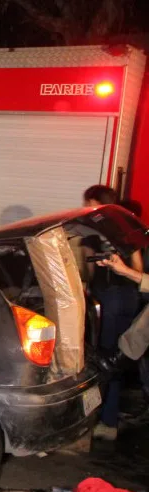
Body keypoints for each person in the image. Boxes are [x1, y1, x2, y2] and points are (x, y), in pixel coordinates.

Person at [82, 185, 143, 440]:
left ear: (95, 203)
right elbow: (138, 266)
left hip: (107, 298)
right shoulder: (127, 229)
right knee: (120, 354)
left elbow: (88, 274)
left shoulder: (92, 229)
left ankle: (103, 421)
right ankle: (110, 419)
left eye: (86, 202)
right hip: (130, 296)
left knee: (104, 359)